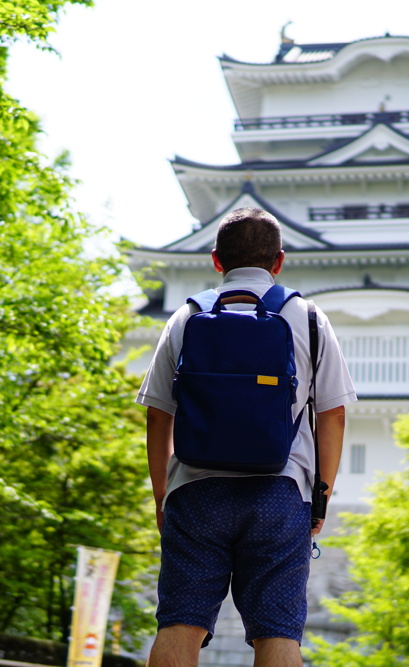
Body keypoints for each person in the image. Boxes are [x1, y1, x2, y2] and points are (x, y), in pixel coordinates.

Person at [136, 207, 356, 667]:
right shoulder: (310, 319)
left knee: (180, 624)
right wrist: (320, 498)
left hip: (194, 491)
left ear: (217, 260)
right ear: (278, 262)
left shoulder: (186, 317)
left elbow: (159, 416)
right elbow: (332, 415)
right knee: (277, 632)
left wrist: (163, 496)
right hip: (280, 490)